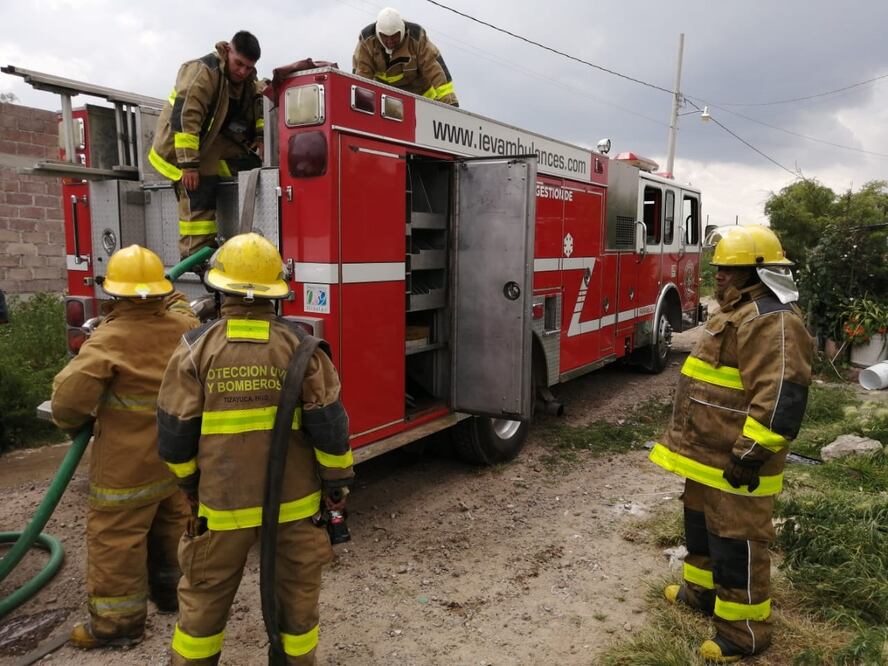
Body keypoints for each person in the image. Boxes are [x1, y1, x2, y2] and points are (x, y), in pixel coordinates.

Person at [156, 232, 354, 665]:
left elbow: (174, 435)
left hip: (220, 507)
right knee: (297, 607)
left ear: (219, 289)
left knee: (203, 608)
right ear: (276, 293)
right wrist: (337, 485)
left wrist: (189, 485)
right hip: (294, 508)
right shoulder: (303, 349)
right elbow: (330, 430)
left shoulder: (195, 350)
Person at [649, 225, 813, 662]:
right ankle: (700, 594)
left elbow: (781, 394)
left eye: (730, 270)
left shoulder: (772, 320)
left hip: (738, 462)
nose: (718, 275)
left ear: (758, 273)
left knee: (736, 542)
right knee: (701, 529)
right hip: (707, 457)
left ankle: (744, 633)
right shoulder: (737, 310)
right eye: (719, 267)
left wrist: (751, 455)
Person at [51, 245, 198, 649]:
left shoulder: (108, 341)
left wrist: (73, 426)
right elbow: (181, 308)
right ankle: (171, 595)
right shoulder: (181, 327)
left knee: (117, 538)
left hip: (125, 468)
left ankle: (118, 625)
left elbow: (67, 403)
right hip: (173, 457)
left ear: (114, 292)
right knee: (173, 523)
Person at [149, 31, 265, 261]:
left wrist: (260, 137)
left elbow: (258, 104)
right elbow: (186, 119)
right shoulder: (202, 72)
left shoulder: (248, 82)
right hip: (178, 148)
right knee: (198, 185)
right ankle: (194, 255)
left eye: (248, 67)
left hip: (212, 142)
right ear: (227, 50)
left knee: (252, 164)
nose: (242, 72)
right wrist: (189, 165)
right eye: (238, 64)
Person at [353, 7, 459, 106]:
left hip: (422, 99)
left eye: (394, 36)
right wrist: (361, 103)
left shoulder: (417, 38)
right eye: (385, 36)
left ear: (402, 30)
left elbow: (436, 71)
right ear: (378, 33)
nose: (390, 41)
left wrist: (450, 104)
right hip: (385, 102)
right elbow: (362, 77)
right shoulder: (367, 42)